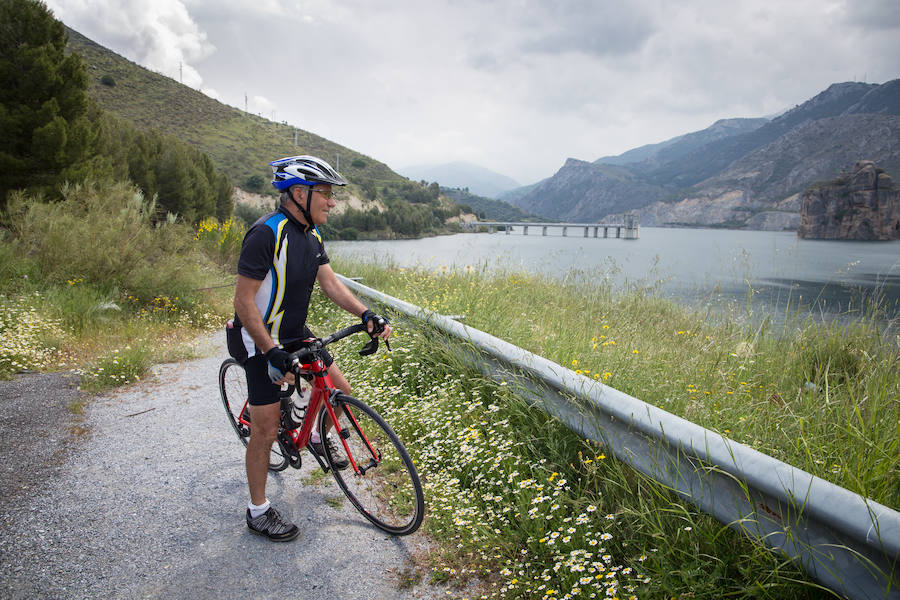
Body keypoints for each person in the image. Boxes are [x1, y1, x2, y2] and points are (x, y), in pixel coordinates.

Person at [230, 155, 392, 542]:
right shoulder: (265, 234)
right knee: (266, 430)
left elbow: (331, 284)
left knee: (339, 390)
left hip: (295, 332)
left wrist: (366, 313)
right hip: (259, 340)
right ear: (298, 193)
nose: (332, 202)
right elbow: (243, 301)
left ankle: (316, 436)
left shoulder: (312, 235)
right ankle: (258, 511)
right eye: (325, 194)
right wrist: (271, 351)